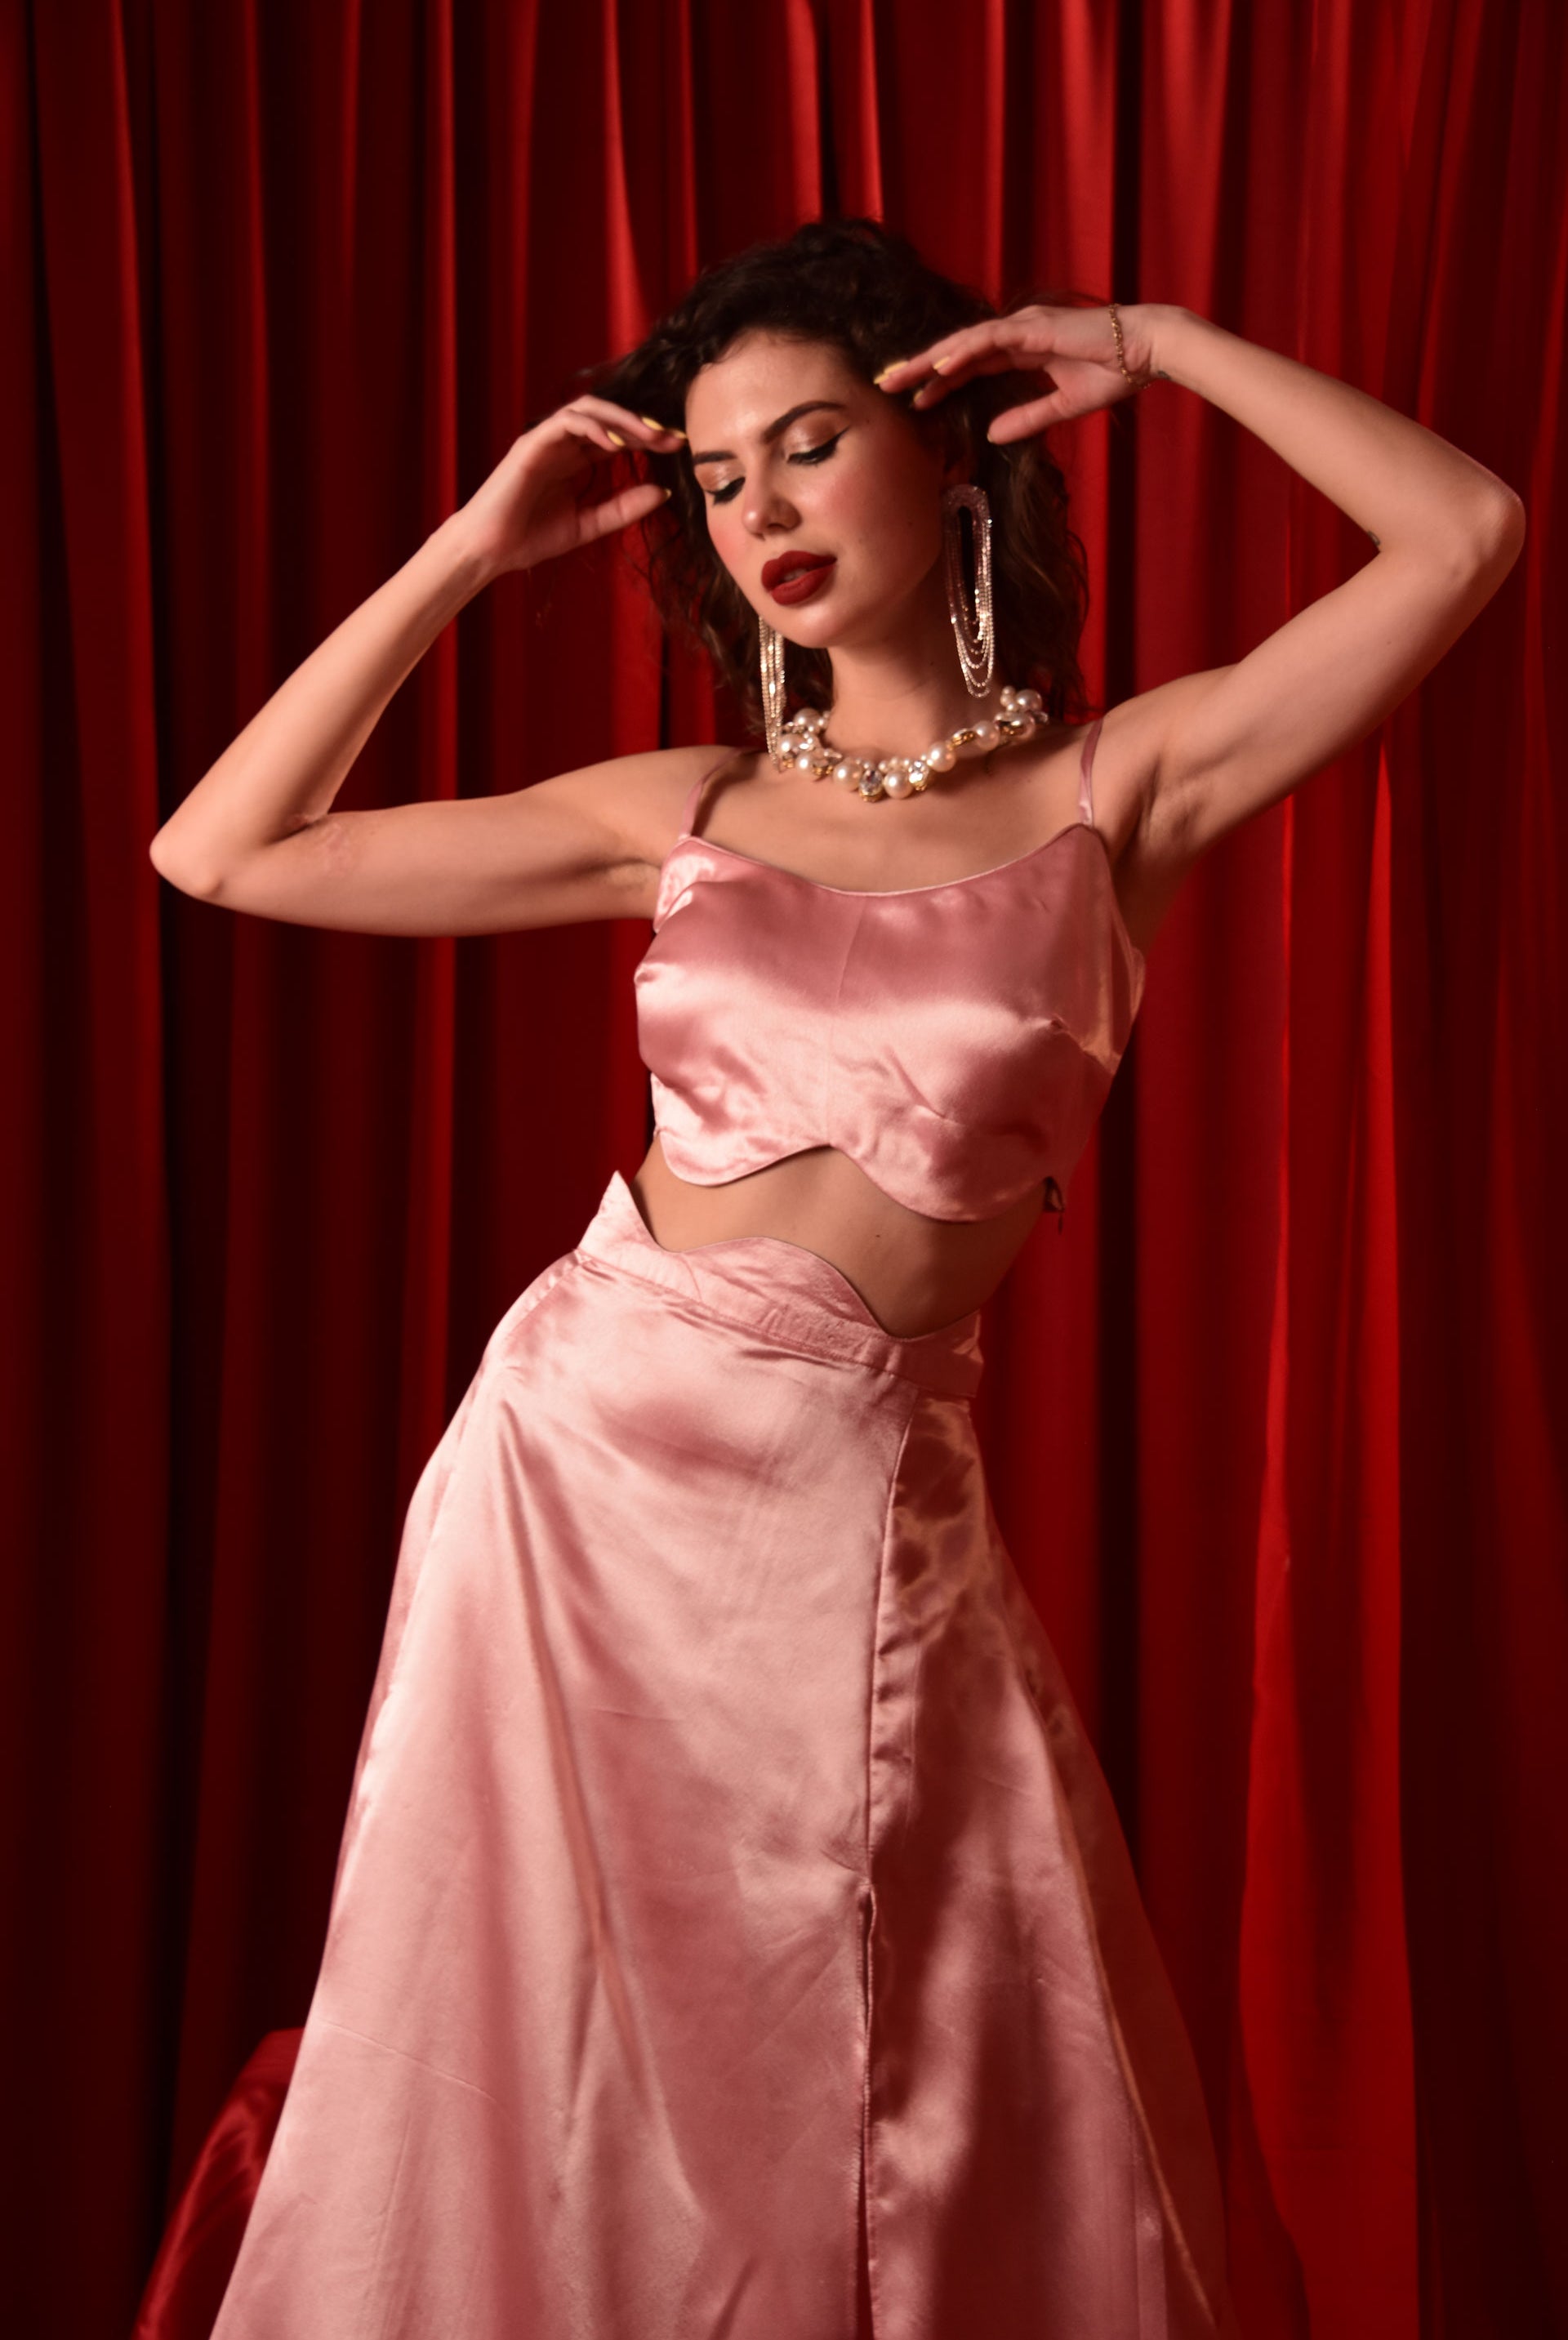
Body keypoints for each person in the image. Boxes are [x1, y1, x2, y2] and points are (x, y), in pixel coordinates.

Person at [149, 218, 1523, 2339]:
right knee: (542, 2085)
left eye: (808, 443)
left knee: (897, 2096)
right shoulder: (688, 810)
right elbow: (221, 848)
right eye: (718, 477)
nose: (762, 509)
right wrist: (468, 551)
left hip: (864, 1504)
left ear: (948, 449)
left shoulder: (1119, 792)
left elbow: (1466, 536)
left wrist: (1158, 343)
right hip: (571, 1484)